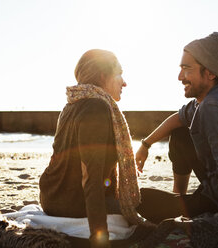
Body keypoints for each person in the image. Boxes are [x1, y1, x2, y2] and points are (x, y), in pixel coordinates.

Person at [135, 32, 218, 224]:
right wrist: (146, 145)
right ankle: (180, 200)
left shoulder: (216, 107)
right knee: (181, 131)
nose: (180, 76)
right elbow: (179, 118)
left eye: (186, 69)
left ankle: (184, 209)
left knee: (138, 200)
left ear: (210, 72)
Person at [39, 49, 149, 248]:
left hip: (52, 196)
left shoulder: (72, 104)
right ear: (103, 76)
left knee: (147, 198)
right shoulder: (96, 108)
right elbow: (90, 178)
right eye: (119, 74)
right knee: (155, 206)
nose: (124, 83)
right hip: (71, 203)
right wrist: (100, 238)